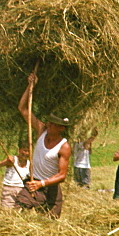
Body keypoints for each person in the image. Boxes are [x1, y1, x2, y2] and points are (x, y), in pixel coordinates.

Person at [15, 72, 72, 218]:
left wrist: (42, 184)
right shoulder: (41, 131)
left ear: (62, 128)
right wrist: (30, 86)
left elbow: (62, 175)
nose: (49, 125)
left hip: (50, 188)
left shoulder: (64, 147)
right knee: (18, 210)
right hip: (33, 182)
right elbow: (23, 109)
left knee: (51, 223)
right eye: (49, 122)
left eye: (54, 124)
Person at [0, 140, 30, 210]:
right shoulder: (12, 160)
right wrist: (5, 162)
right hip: (9, 189)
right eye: (24, 150)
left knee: (19, 211)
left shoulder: (30, 164)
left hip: (22, 190)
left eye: (28, 151)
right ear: (19, 150)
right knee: (7, 210)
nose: (26, 153)